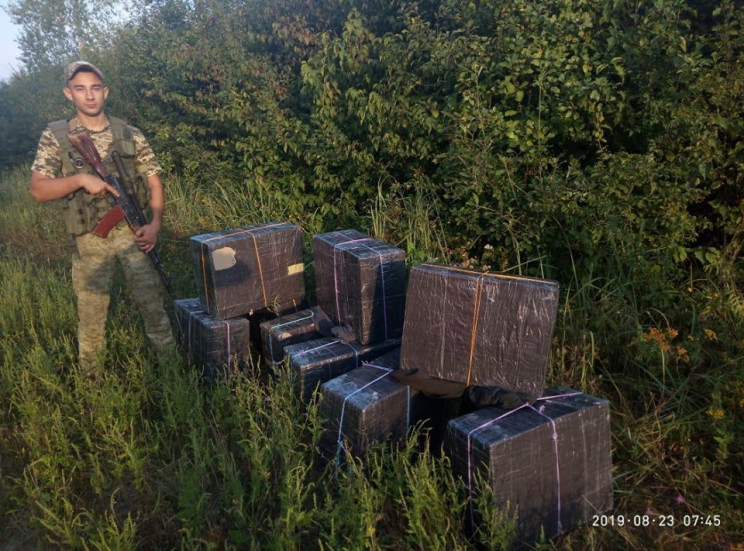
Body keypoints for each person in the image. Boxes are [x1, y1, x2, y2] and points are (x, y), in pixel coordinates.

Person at [30, 60, 175, 374]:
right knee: (92, 314)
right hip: (90, 239)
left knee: (153, 305)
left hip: (135, 235)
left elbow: (153, 180)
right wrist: (80, 180)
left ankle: (171, 371)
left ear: (105, 91)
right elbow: (38, 190)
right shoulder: (57, 136)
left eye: (96, 88)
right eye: (80, 89)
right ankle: (92, 381)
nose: (90, 96)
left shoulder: (129, 132)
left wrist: (155, 225)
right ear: (69, 94)